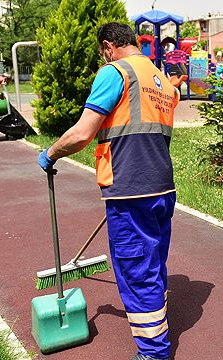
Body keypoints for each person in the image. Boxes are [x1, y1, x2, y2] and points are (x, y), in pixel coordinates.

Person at [36, 22, 179, 360]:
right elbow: (163, 106)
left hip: (129, 189)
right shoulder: (157, 78)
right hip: (161, 186)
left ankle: (153, 352)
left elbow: (83, 132)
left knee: (135, 270)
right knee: (153, 263)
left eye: (103, 53)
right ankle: (156, 331)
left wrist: (51, 152)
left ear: (108, 46)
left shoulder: (115, 72)